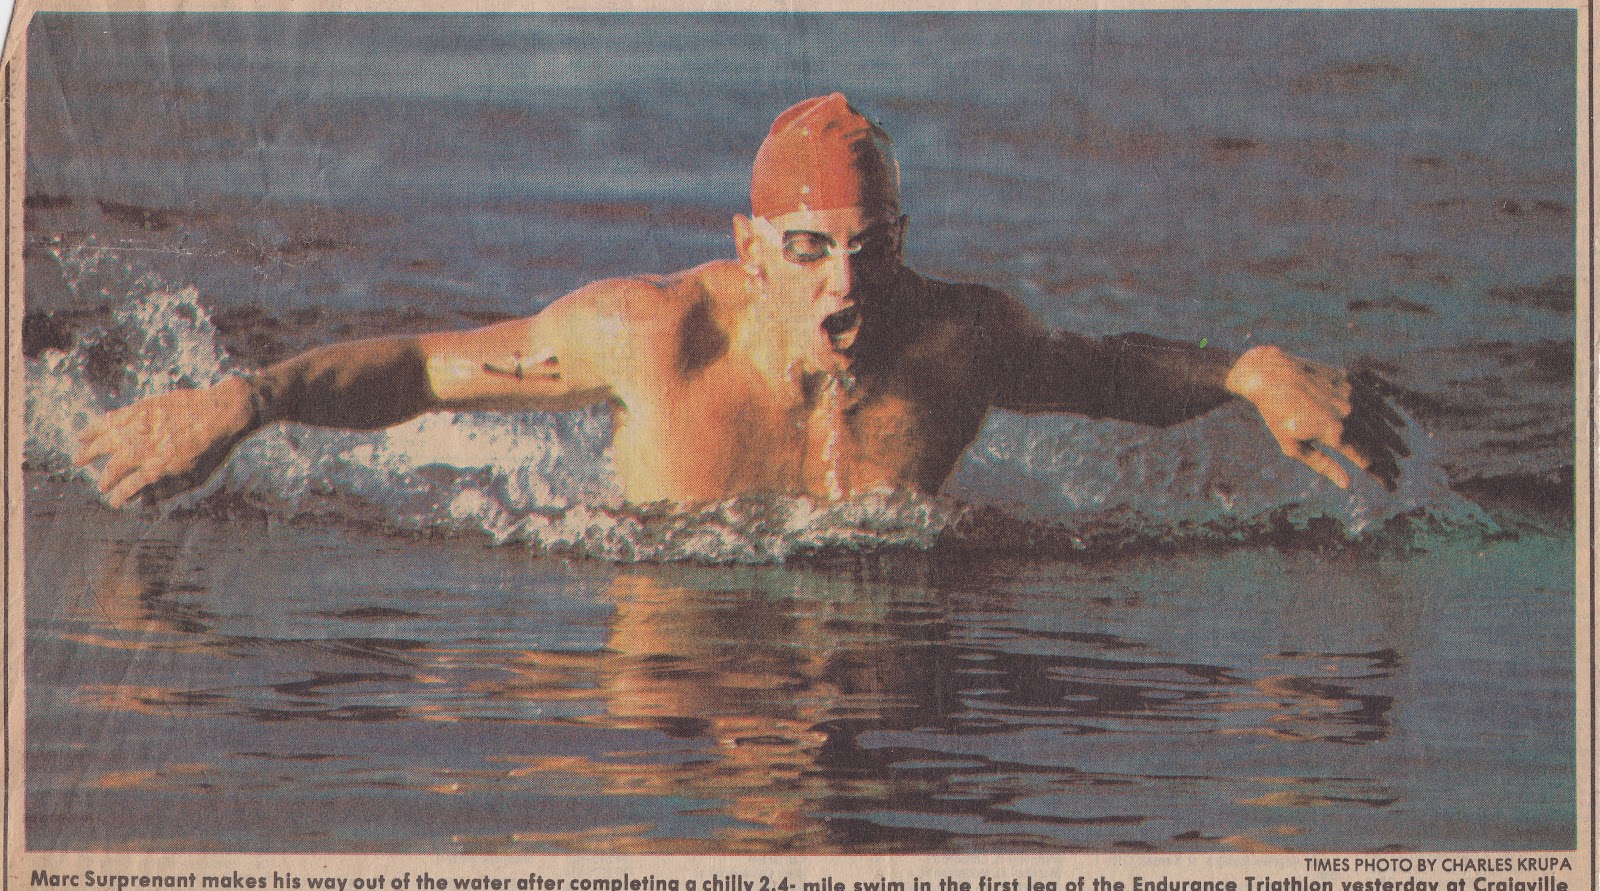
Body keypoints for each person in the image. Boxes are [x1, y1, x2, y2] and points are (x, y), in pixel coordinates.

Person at [75, 93, 1406, 510]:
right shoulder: (651, 336)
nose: (849, 289)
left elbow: (1111, 376)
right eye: (813, 250)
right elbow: (428, 370)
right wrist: (237, 403)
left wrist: (1246, 371)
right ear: (749, 246)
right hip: (672, 684)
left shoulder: (956, 337)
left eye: (874, 251)